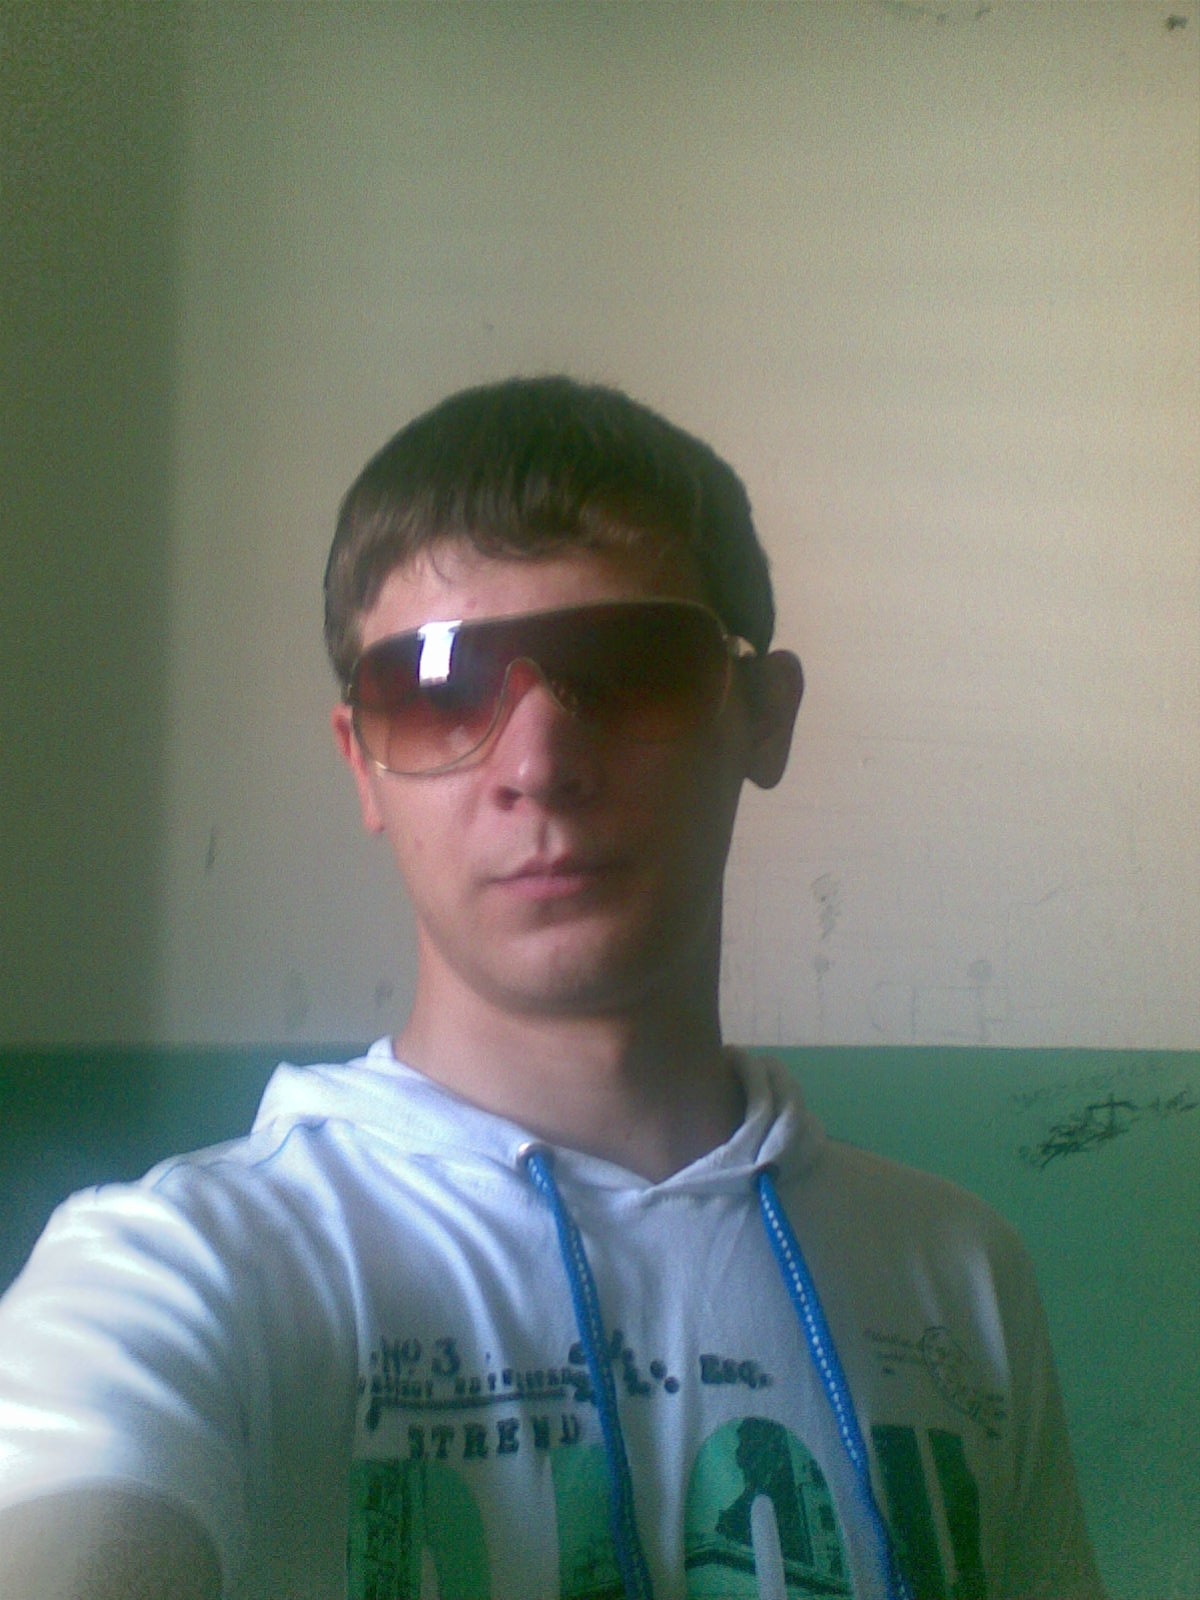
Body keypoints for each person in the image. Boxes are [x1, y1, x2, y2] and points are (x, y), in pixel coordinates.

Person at [0, 377, 1103, 1599]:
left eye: (629, 668)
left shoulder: (960, 1277)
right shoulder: (184, 1274)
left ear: (764, 716)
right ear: (362, 763)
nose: (537, 762)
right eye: (435, 689)